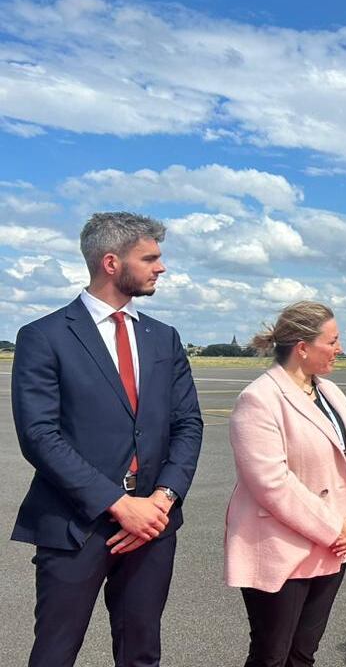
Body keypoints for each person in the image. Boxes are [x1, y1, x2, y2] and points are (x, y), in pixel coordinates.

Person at [11, 211, 204, 667]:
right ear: (111, 262)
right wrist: (118, 504)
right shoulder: (44, 336)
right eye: (150, 258)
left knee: (141, 653)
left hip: (153, 524)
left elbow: (188, 424)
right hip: (76, 523)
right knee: (55, 653)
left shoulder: (163, 338)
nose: (161, 267)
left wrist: (162, 499)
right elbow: (39, 435)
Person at [225, 301, 346, 667]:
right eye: (333, 341)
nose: (340, 349)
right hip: (282, 549)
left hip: (331, 547)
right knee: (271, 656)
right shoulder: (259, 399)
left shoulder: (331, 393)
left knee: (303, 654)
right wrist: (335, 528)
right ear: (303, 347)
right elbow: (271, 484)